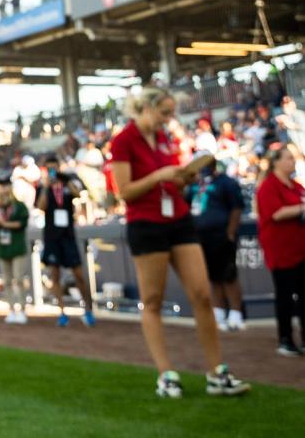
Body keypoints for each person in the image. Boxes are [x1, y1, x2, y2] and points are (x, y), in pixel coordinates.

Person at [109, 88, 249, 398]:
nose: (168, 119)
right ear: (146, 108)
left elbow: (173, 177)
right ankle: (166, 374)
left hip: (179, 219)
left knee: (201, 294)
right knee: (154, 300)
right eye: (164, 112)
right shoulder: (123, 140)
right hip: (146, 224)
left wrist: (182, 176)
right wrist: (160, 175)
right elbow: (125, 192)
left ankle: (216, 372)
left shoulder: (166, 139)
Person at [255, 145, 305, 356]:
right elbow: (276, 214)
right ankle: (285, 339)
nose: (292, 162)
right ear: (276, 162)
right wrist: (301, 209)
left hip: (300, 249)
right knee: (285, 297)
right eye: (288, 158)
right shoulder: (268, 186)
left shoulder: (295, 186)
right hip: (281, 251)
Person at [36, 155, 95, 328]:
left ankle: (88, 309)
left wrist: (66, 181)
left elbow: (78, 195)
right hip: (52, 237)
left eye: (55, 168)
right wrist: (47, 186)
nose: (53, 171)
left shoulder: (68, 182)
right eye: (50, 168)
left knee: (78, 274)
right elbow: (40, 207)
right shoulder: (43, 186)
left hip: (68, 235)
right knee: (55, 276)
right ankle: (62, 312)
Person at [186, 161, 245, 331]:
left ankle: (235, 313)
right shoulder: (195, 184)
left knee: (228, 275)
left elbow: (236, 208)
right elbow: (187, 203)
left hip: (221, 234)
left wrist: (230, 233)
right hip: (200, 236)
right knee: (211, 276)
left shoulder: (226, 182)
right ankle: (218, 312)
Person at [0, 173, 29, 324]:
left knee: (18, 279)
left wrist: (4, 223)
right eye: (1, 186)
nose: (4, 189)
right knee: (6, 280)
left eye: (6, 185)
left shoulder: (19, 206)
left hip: (17, 246)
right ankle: (12, 309)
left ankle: (23, 309)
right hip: (4, 247)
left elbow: (21, 224)